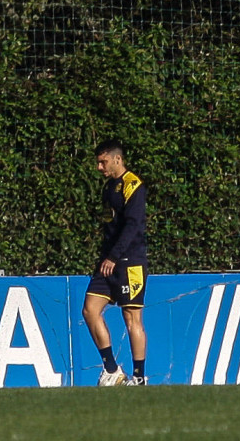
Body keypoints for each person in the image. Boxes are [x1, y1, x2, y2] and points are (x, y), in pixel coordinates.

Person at [82, 139, 148, 386]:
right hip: (107, 262)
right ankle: (111, 369)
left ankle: (139, 377)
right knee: (90, 310)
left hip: (130, 262)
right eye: (98, 162)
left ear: (117, 159)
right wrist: (105, 256)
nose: (100, 167)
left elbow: (133, 226)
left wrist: (114, 256)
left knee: (132, 319)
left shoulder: (134, 186)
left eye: (103, 161)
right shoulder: (109, 187)